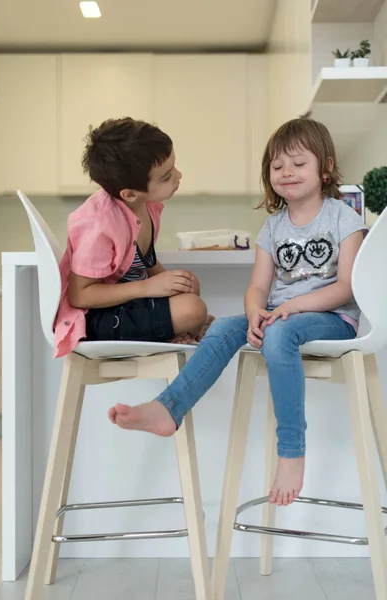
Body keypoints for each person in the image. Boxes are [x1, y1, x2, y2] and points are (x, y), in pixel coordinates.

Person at [109, 117, 367, 507]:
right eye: (277, 166)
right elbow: (259, 287)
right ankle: (168, 408)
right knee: (224, 327)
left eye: (298, 164)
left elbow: (347, 287)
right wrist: (253, 311)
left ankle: (292, 452)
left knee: (280, 332)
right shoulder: (273, 226)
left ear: (326, 167)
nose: (286, 173)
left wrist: (291, 307)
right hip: (283, 316)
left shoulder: (343, 218)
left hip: (333, 320)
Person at [54, 117, 213, 358]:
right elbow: (80, 295)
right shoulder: (99, 223)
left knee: (191, 289)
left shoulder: (146, 206)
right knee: (192, 309)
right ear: (129, 194)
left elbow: (143, 262)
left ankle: (182, 330)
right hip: (97, 319)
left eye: (174, 167)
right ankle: (184, 329)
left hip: (128, 304)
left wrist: (172, 285)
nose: (178, 176)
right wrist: (149, 287)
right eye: (167, 176)